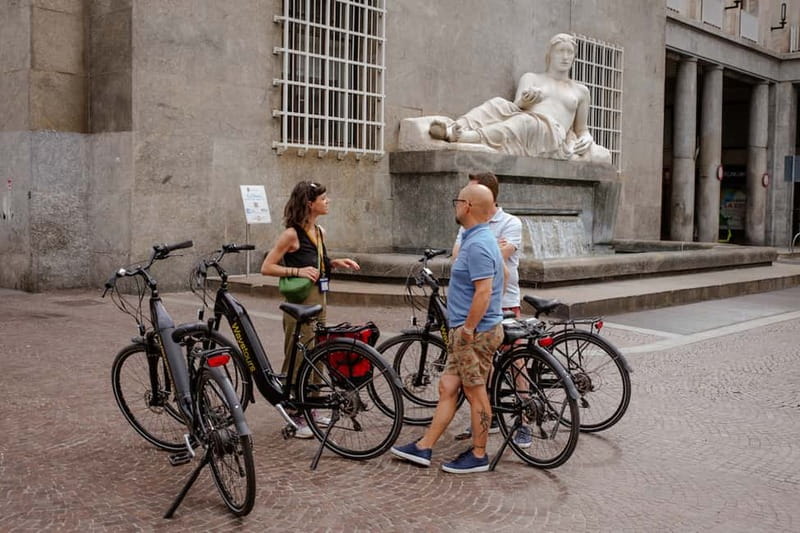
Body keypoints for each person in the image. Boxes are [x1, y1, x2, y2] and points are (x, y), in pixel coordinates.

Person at [391, 183, 505, 473]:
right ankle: (423, 447)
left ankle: (479, 455)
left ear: (467, 206)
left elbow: (484, 292)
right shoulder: (475, 237)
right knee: (448, 387)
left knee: (476, 392)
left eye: (458, 200)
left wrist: (468, 329)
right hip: (468, 332)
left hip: (474, 334)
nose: (454, 205)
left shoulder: (478, 244)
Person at [260, 180, 360, 438]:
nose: (328, 202)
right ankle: (296, 413)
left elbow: (318, 262)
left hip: (319, 299)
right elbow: (267, 267)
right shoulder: (291, 234)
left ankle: (312, 408)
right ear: (309, 203)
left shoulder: (320, 231)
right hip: (299, 302)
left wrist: (336, 263)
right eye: (323, 198)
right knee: (298, 354)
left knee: (317, 351)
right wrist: (296, 270)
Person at [429, 33, 609, 163]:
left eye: (570, 52)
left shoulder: (581, 91)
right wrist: (526, 101)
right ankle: (455, 127)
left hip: (552, 134)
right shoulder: (531, 78)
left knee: (526, 122)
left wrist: (587, 138)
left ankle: (467, 137)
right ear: (549, 55)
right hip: (526, 120)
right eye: (560, 51)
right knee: (498, 104)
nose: (565, 57)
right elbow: (516, 107)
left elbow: (581, 129)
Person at [450, 172, 531, 446]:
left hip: (504, 301)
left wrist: (480, 249)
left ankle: (525, 420)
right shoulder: (467, 222)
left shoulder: (510, 223)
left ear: (488, 195)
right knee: (485, 366)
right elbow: (455, 256)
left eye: (471, 193)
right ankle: (491, 417)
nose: (465, 201)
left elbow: (499, 257)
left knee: (516, 361)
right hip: (474, 302)